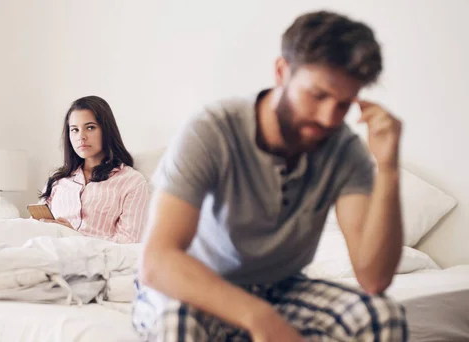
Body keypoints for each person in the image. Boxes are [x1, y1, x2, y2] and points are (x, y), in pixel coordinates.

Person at [134, 11, 406, 341]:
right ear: (282, 72)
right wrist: (258, 317)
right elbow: (158, 261)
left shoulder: (345, 150)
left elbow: (374, 279)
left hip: (280, 287)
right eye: (318, 95)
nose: (328, 118)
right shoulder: (212, 130)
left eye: (343, 104)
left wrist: (388, 168)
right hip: (196, 283)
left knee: (379, 316)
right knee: (176, 323)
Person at [38, 95, 149, 244]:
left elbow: (129, 241)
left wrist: (73, 236)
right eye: (74, 130)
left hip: (95, 262)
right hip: (47, 254)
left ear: (106, 130)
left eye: (90, 127)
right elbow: (37, 229)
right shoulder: (57, 181)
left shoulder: (132, 181)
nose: (81, 137)